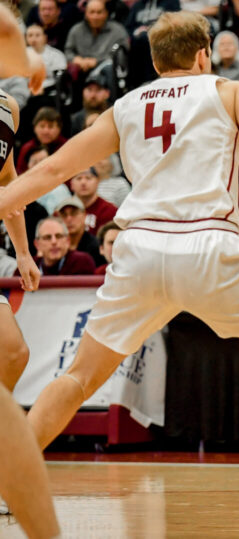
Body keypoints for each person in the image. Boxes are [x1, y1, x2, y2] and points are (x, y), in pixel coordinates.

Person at [0, 12, 239, 538]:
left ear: (153, 61)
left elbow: (52, 171)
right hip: (207, 248)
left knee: (78, 378)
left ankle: (11, 481)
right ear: (203, 54)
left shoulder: (126, 105)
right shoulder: (229, 90)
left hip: (139, 253)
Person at [0, 11, 54, 532]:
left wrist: (22, 251)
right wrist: (32, 59)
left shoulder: (8, 108)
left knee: (13, 352)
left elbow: (8, 180)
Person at [69, 167, 117, 236]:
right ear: (71, 184)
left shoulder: (110, 211)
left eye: (88, 178)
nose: (83, 182)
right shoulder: (63, 211)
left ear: (97, 182)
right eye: (79, 178)